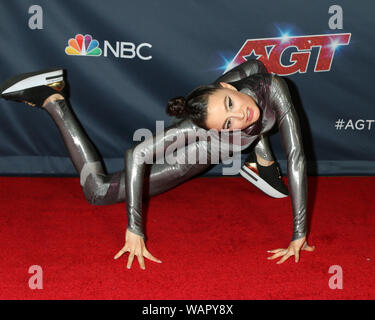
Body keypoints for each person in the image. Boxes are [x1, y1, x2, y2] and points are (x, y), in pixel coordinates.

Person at [0, 60, 314, 270]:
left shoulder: (271, 87)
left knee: (249, 119)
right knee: (96, 190)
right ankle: (55, 101)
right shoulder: (199, 128)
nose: (241, 115)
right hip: (195, 153)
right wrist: (135, 229)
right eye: (227, 120)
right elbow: (136, 155)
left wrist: (297, 235)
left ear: (230, 89)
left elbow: (296, 156)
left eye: (231, 107)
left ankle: (261, 161)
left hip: (222, 123)